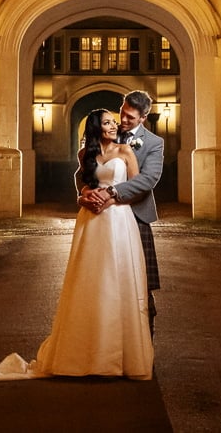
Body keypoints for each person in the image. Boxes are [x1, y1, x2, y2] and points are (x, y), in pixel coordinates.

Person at [0, 107, 155, 380]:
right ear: (95, 128)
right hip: (91, 222)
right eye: (107, 123)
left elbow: (139, 189)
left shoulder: (126, 152)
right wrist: (84, 197)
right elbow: (81, 185)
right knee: (89, 281)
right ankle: (84, 352)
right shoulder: (85, 156)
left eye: (114, 122)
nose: (113, 126)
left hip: (118, 221)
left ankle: (117, 357)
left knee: (118, 281)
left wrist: (110, 198)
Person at [80, 91, 162, 329]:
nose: (122, 120)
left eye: (129, 117)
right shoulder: (105, 133)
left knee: (140, 286)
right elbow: (83, 173)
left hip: (135, 217)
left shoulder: (154, 144)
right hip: (100, 220)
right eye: (122, 113)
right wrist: (84, 193)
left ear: (143, 118)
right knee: (102, 282)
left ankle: (144, 350)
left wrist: (111, 194)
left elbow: (148, 180)